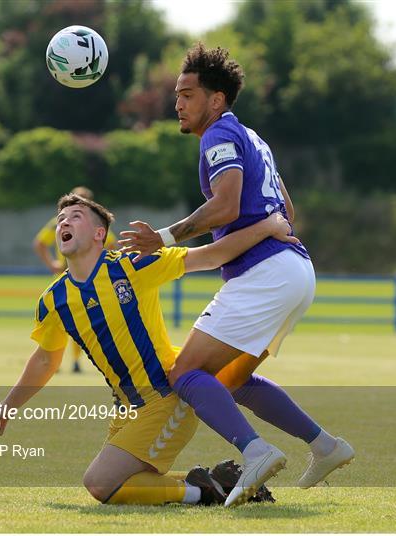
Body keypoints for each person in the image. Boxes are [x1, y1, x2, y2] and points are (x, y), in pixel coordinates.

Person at [119, 43, 354, 507]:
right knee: (229, 379)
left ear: (217, 99)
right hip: (295, 271)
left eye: (188, 94)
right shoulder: (255, 138)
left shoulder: (216, 136)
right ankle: (325, 445)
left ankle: (255, 452)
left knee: (185, 373)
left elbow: (226, 205)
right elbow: (286, 210)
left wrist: (165, 236)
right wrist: (268, 229)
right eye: (177, 95)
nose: (178, 103)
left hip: (264, 274)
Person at [0, 193, 295, 506]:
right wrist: (7, 405)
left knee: (100, 484)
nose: (64, 221)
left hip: (165, 397)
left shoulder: (132, 266)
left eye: (75, 216)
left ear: (99, 234)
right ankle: (217, 482)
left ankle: (210, 493)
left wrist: (267, 227)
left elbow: (211, 256)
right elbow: (46, 359)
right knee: (121, 485)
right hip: (127, 408)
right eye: (61, 218)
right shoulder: (53, 298)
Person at [33, 186, 117, 373]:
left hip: (83, 278)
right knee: (68, 320)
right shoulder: (61, 222)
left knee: (74, 320)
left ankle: (66, 361)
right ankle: (61, 361)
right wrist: (52, 264)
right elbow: (39, 243)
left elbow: (111, 244)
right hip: (68, 276)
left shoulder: (90, 224)